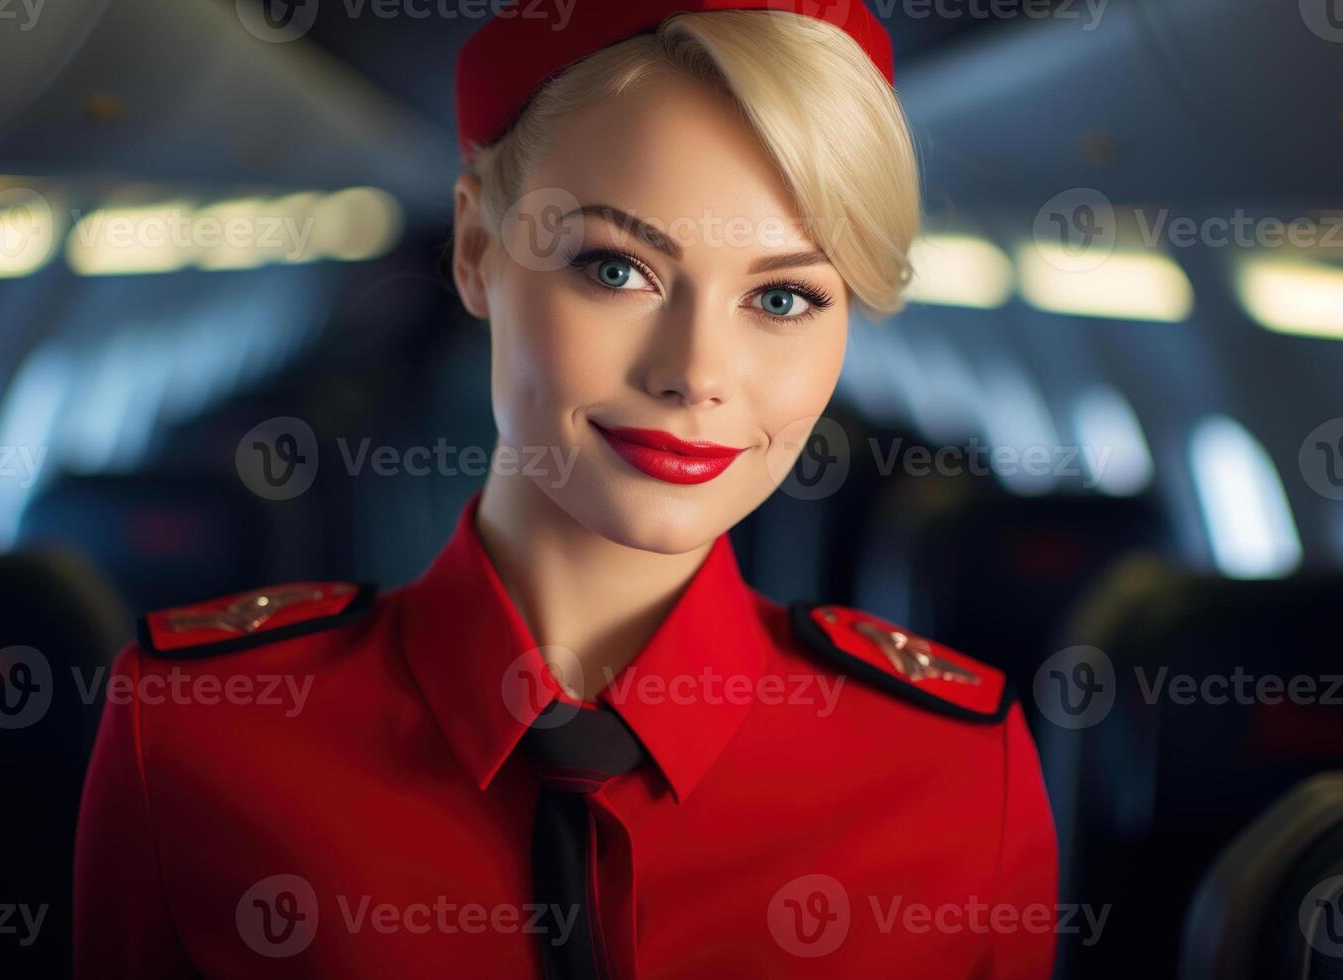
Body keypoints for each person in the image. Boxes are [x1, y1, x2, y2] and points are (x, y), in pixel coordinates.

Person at [73, 3, 1058, 977]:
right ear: (475, 250)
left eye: (784, 296)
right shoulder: (197, 735)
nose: (695, 371)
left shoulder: (962, 778)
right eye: (618, 267)